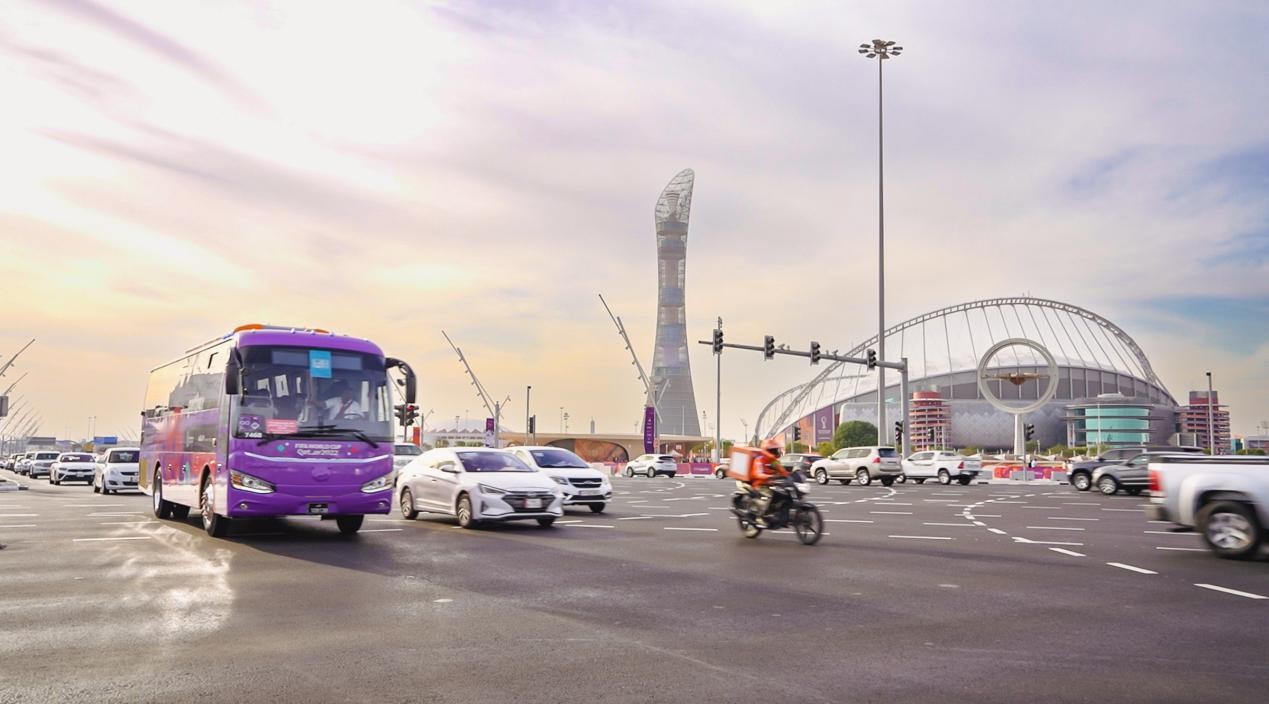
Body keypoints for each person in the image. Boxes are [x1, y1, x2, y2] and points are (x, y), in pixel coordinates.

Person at [750, 438, 790, 527]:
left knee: (784, 496)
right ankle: (759, 517)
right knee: (768, 496)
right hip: (760, 485)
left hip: (770, 484)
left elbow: (782, 470)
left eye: (776, 449)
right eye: (773, 450)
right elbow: (758, 474)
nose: (775, 452)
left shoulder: (773, 461)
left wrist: (790, 475)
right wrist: (770, 477)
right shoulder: (760, 459)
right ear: (766, 450)